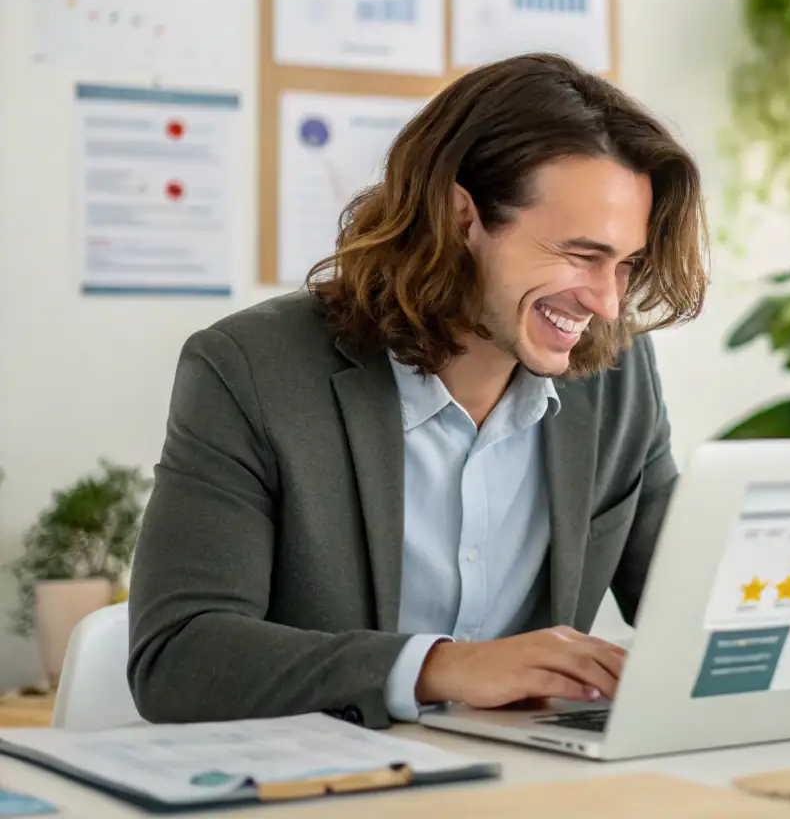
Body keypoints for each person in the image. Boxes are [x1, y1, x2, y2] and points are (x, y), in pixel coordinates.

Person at [128, 53, 709, 728]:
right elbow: (178, 657)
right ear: (458, 218)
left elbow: (686, 603)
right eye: (581, 256)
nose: (607, 304)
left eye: (625, 264)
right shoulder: (250, 370)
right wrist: (440, 668)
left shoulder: (616, 376)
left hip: (526, 780)